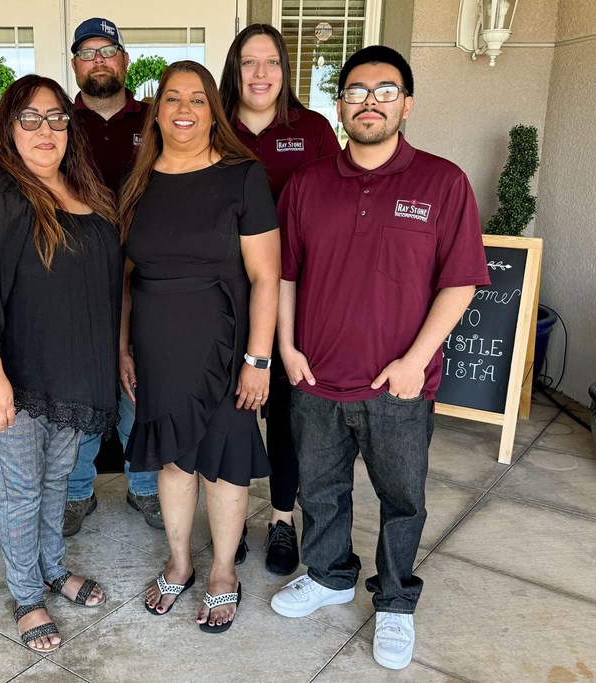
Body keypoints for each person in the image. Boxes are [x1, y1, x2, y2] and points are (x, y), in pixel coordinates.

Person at [269, 46, 489, 670]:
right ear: (339, 105)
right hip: (315, 377)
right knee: (322, 490)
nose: (369, 100)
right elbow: (286, 276)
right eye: (356, 90)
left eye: (385, 90)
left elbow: (460, 281)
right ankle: (330, 575)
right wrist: (286, 346)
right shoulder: (307, 185)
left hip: (398, 383)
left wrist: (416, 359)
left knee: (403, 499)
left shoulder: (443, 182)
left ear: (407, 104)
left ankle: (394, 601)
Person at [0, 75, 119, 653]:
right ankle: (26, 597)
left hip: (71, 378)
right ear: (8, 126)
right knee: (18, 493)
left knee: (53, 484)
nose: (46, 131)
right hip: (12, 380)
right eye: (30, 118)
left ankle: (49, 569)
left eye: (57, 118)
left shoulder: (84, 189)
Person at [119, 61, 280, 633]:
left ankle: (223, 575)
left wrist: (259, 359)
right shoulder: (138, 183)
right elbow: (127, 276)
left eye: (197, 99)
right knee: (172, 457)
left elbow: (265, 276)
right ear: (156, 110)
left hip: (226, 343)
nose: (183, 109)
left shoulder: (242, 176)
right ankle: (181, 561)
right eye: (171, 99)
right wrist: (123, 347)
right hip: (159, 344)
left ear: (214, 110)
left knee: (224, 461)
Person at [219, 23, 341, 574]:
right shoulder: (213, 127)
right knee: (234, 411)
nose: (260, 74)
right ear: (234, 69)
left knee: (289, 415)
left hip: (296, 295)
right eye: (249, 62)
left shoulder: (312, 129)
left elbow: (337, 203)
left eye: (271, 62)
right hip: (225, 297)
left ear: (285, 70)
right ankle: (234, 517)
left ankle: (283, 519)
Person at [63, 17, 161, 535]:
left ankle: (144, 487)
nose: (99, 60)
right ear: (76, 65)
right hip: (74, 277)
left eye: (108, 51)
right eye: (87, 52)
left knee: (138, 386)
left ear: (124, 61)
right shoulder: (57, 121)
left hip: (147, 276)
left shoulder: (156, 119)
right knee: (80, 390)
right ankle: (79, 492)